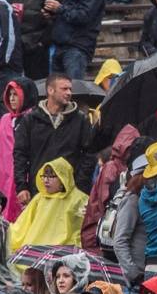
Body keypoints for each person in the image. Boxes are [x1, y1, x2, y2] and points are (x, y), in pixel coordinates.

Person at [13, 74, 97, 208]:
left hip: (69, 193)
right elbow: (20, 154)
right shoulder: (30, 120)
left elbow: (90, 154)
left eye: (70, 89)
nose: (69, 93)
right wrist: (21, 186)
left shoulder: (80, 120)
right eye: (64, 89)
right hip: (38, 192)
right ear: (50, 90)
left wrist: (80, 186)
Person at [8, 157, 88, 256]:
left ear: (63, 177)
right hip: (34, 251)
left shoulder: (79, 199)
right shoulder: (39, 198)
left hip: (64, 252)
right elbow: (23, 223)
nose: (46, 180)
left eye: (51, 176)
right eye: (44, 176)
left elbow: (83, 229)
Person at [49, 0, 106, 80]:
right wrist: (53, 14)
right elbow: (69, 14)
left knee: (74, 90)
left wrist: (59, 9)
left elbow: (83, 16)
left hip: (77, 47)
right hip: (62, 46)